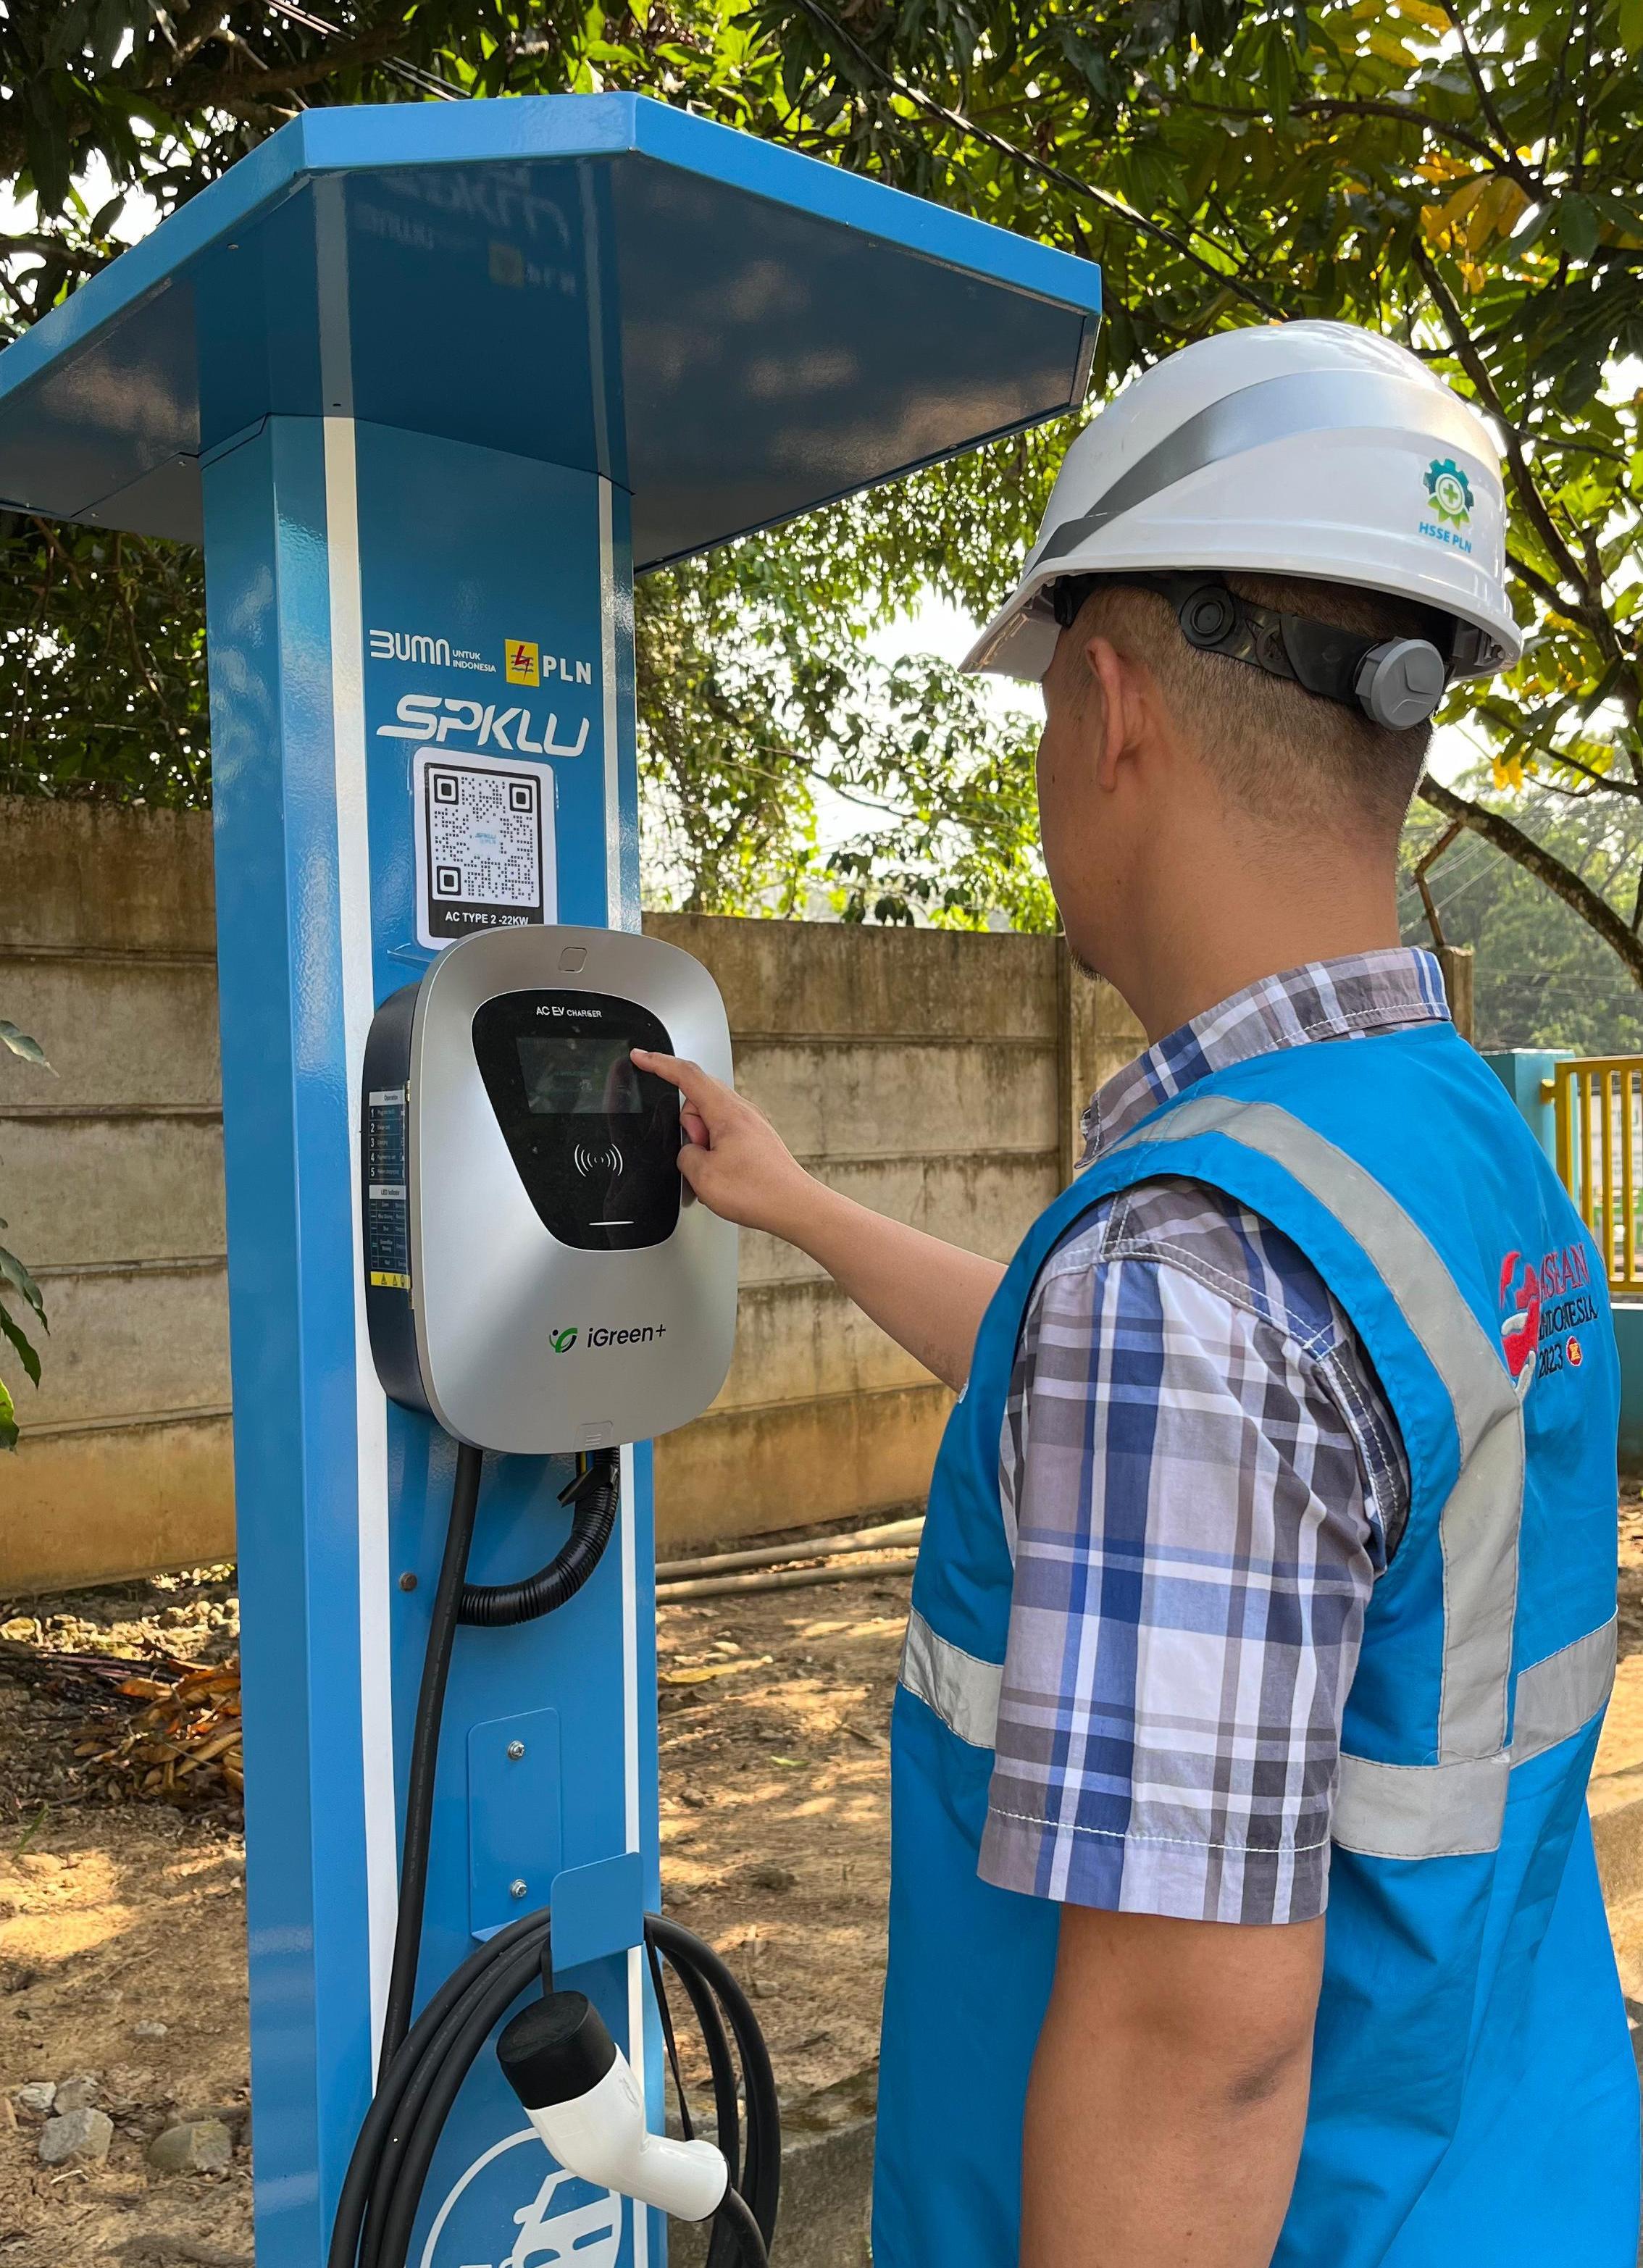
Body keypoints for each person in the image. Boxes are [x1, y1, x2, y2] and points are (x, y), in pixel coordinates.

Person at [635, 319, 1641, 2267]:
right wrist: (795, 1202)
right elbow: (1106, 1412)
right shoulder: (1439, 1143)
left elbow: (1199, 2059)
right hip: (1502, 2184)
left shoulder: (1190, 1273)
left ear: (1105, 705)